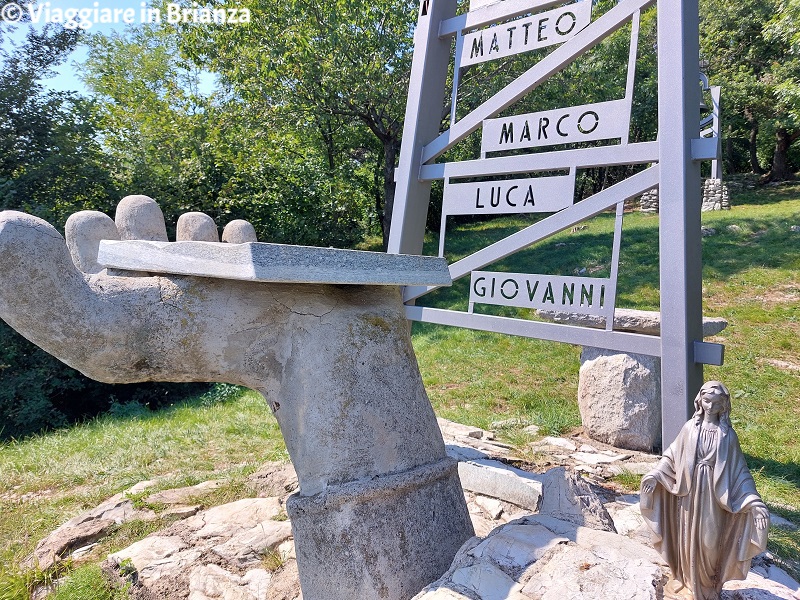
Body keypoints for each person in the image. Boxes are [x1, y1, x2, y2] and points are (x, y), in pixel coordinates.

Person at [640, 381, 769, 600]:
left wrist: (755, 504)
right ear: (700, 401)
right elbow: (671, 457)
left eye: (716, 403)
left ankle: (709, 586)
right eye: (707, 401)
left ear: (723, 406)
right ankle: (687, 583)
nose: (710, 407)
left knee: (710, 543)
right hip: (689, 494)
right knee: (687, 539)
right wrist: (655, 475)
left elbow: (740, 471)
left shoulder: (728, 436)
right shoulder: (690, 428)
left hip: (715, 496)